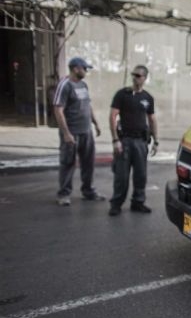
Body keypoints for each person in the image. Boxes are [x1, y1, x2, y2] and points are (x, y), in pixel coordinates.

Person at [53, 57, 105, 206]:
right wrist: (66, 133)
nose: (86, 71)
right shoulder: (65, 85)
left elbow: (88, 106)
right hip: (72, 132)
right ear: (76, 69)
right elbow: (58, 110)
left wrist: (95, 123)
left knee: (88, 163)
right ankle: (63, 194)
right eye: (84, 68)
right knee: (68, 163)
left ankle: (88, 191)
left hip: (86, 131)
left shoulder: (83, 85)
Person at [108, 65, 158, 216]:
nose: (135, 78)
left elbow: (152, 119)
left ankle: (138, 202)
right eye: (133, 75)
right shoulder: (122, 94)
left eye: (138, 75)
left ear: (144, 78)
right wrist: (115, 140)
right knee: (121, 176)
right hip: (125, 141)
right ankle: (116, 204)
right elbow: (112, 116)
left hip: (141, 142)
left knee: (141, 175)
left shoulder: (148, 98)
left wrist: (156, 141)